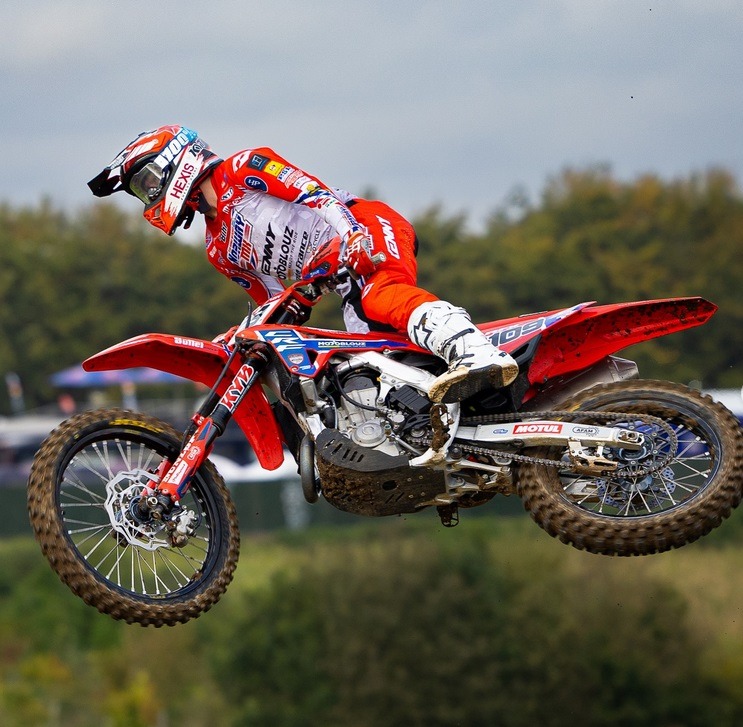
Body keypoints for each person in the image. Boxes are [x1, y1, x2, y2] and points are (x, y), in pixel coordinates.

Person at [88, 125, 518, 403]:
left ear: (174, 162)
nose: (148, 195)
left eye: (146, 183)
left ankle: (477, 353)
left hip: (364, 224)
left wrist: (351, 233)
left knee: (381, 295)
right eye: (141, 191)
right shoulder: (219, 249)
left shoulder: (242, 167)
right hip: (339, 276)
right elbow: (275, 306)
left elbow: (313, 192)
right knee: (367, 366)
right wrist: (241, 337)